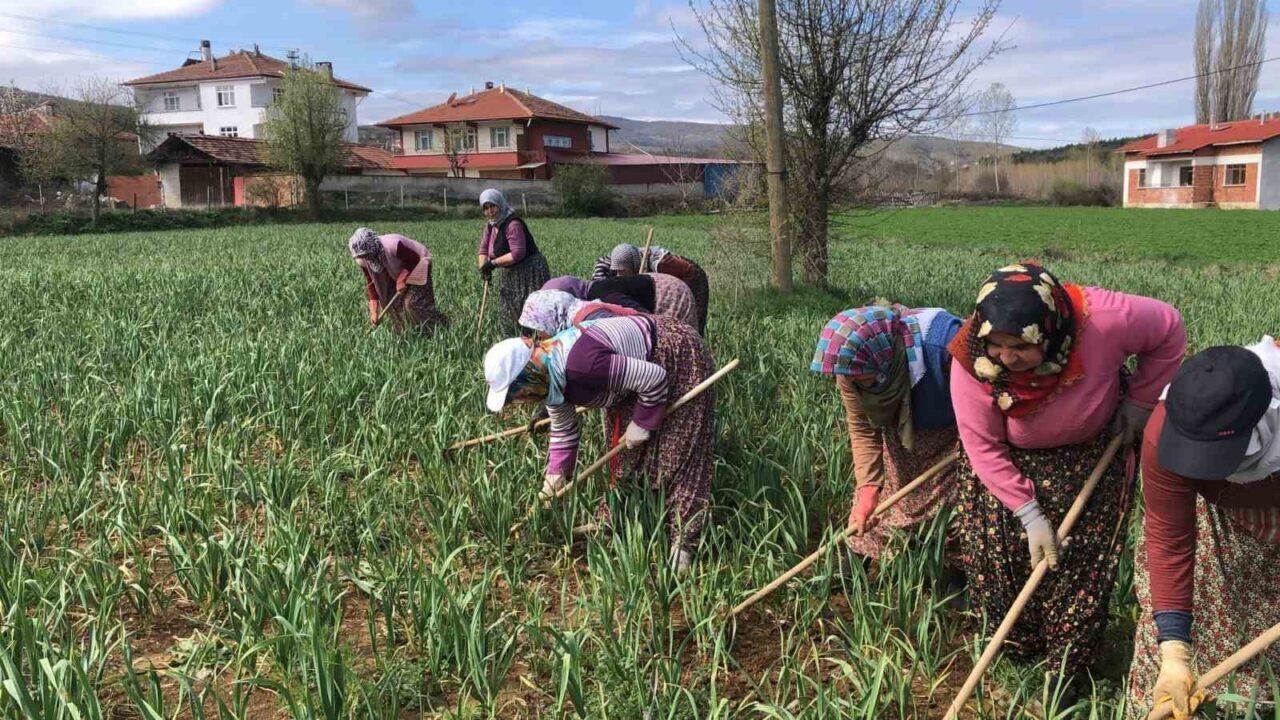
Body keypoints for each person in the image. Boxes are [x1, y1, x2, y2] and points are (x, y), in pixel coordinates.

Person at [948, 261, 1186, 677]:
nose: (1007, 357)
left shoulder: (1104, 320)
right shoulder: (971, 359)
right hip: (1004, 471)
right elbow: (982, 445)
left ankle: (1068, 671)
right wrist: (1028, 512)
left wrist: (1141, 402)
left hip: (1092, 455)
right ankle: (1017, 662)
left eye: (1021, 346)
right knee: (1001, 565)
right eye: (997, 345)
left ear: (1050, 330)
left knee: (1079, 569)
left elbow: (1168, 329)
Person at [483, 313, 715, 571]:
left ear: (527, 375)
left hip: (673, 354)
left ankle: (683, 544)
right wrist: (552, 482)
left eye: (517, 394)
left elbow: (653, 377)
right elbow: (563, 432)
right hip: (630, 375)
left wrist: (642, 422)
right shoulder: (551, 379)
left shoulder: (582, 365)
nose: (520, 401)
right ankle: (618, 520)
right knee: (623, 454)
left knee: (680, 450)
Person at [1127, 341, 1280, 720]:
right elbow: (1168, 535)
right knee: (1172, 636)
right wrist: (1174, 650)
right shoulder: (1166, 428)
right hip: (1218, 516)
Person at [810, 304, 963, 560]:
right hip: (901, 438)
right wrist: (868, 489)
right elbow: (861, 426)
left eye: (862, 379)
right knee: (882, 506)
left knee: (956, 509)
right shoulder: (851, 368)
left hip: (955, 438)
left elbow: (986, 405)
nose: (852, 383)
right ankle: (853, 565)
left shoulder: (944, 348)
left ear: (883, 359)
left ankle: (951, 577)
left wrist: (974, 447)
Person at [348, 227, 448, 334]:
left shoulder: (393, 246)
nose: (364, 258)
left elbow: (414, 260)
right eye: (361, 256)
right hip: (394, 270)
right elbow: (372, 283)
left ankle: (440, 328)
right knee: (391, 303)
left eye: (365, 254)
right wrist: (374, 312)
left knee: (412, 303)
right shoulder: (363, 260)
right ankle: (406, 332)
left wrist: (401, 279)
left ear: (372, 247)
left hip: (419, 264)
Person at [477, 189, 550, 330]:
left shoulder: (512, 224)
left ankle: (533, 342)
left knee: (530, 310)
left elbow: (517, 253)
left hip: (529, 271)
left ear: (500, 204)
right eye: (485, 208)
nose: (489, 211)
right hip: (509, 272)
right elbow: (483, 249)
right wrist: (483, 268)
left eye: (492, 206)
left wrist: (492, 263)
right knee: (509, 310)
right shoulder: (491, 226)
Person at [599, 243, 709, 333]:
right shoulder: (613, 260)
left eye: (622, 271)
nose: (619, 275)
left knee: (689, 325)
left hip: (691, 278)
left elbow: (689, 271)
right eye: (616, 271)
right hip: (665, 284)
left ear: (634, 265)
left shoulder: (663, 264)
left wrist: (683, 293)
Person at [543, 274, 698, 331]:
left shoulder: (603, 296)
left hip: (669, 293)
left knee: (676, 333)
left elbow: (644, 317)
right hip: (656, 286)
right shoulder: (593, 292)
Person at [519, 289, 638, 339]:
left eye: (538, 327)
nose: (539, 335)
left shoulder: (585, 323)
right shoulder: (581, 309)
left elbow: (625, 335)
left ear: (549, 317)